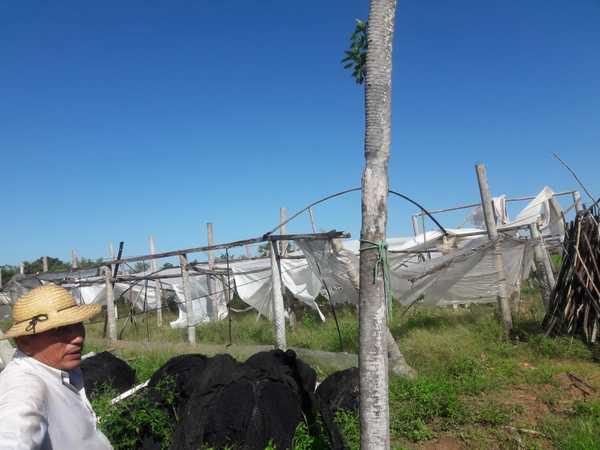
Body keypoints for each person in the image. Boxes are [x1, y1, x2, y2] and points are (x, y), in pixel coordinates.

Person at [0, 284, 113, 449]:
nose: (78, 338)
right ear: (24, 340)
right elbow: (13, 437)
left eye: (78, 325)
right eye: (60, 330)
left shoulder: (59, 368)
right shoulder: (25, 384)